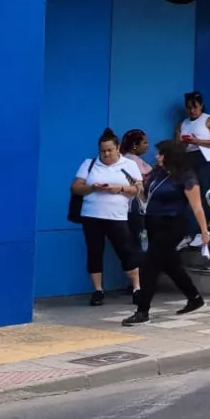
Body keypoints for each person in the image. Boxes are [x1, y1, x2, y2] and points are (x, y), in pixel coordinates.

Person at [127, 140, 210, 325]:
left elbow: (197, 207)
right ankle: (194, 297)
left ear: (170, 155)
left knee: (150, 265)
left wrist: (204, 231)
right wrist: (138, 189)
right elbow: (147, 196)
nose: (157, 156)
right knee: (170, 264)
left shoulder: (186, 177)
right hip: (153, 223)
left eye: (160, 153)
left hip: (172, 224)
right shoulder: (158, 173)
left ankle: (142, 311)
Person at [72, 129, 142, 306]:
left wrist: (119, 188)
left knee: (126, 251)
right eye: (103, 151)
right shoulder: (90, 164)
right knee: (94, 252)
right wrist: (92, 188)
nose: (106, 154)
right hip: (92, 215)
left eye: (110, 150)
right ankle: (98, 290)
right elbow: (76, 188)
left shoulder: (129, 164)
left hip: (117, 217)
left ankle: (137, 287)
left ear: (118, 148)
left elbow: (138, 189)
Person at [175, 92, 210, 187]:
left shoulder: (209, 119)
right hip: (189, 158)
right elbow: (177, 146)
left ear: (201, 106)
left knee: (203, 189)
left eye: (195, 107)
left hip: (207, 158)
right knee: (189, 188)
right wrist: (184, 143)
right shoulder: (183, 123)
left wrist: (198, 141)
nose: (192, 110)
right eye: (189, 108)